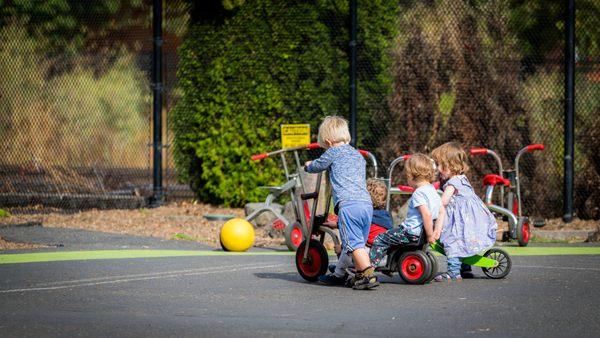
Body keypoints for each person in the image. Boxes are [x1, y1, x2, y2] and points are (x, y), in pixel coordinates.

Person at [304, 116, 378, 290]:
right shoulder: (358, 155)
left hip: (349, 205)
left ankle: (368, 274)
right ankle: (357, 274)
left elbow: (318, 165)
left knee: (354, 243)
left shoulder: (332, 152)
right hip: (366, 205)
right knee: (358, 241)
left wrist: (308, 165)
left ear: (328, 141)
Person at [431, 142, 498, 281]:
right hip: (469, 219)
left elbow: (443, 202)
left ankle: (453, 272)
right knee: (463, 241)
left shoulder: (452, 184)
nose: (438, 168)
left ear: (451, 165)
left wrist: (430, 200)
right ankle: (465, 268)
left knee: (452, 241)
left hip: (460, 221)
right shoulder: (462, 179)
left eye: (440, 165)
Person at [369, 153, 442, 268]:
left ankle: (369, 266)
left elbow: (426, 215)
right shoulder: (433, 190)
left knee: (380, 238)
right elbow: (441, 211)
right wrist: (436, 230)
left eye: (407, 177)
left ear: (412, 175)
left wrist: (430, 235)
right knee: (392, 235)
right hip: (419, 233)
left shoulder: (418, 193)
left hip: (410, 232)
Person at [319, 178, 393, 286]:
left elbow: (354, 229)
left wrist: (342, 245)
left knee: (348, 249)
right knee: (351, 247)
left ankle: (338, 274)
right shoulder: (384, 215)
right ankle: (343, 268)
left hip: (369, 257)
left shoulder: (369, 215)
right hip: (382, 255)